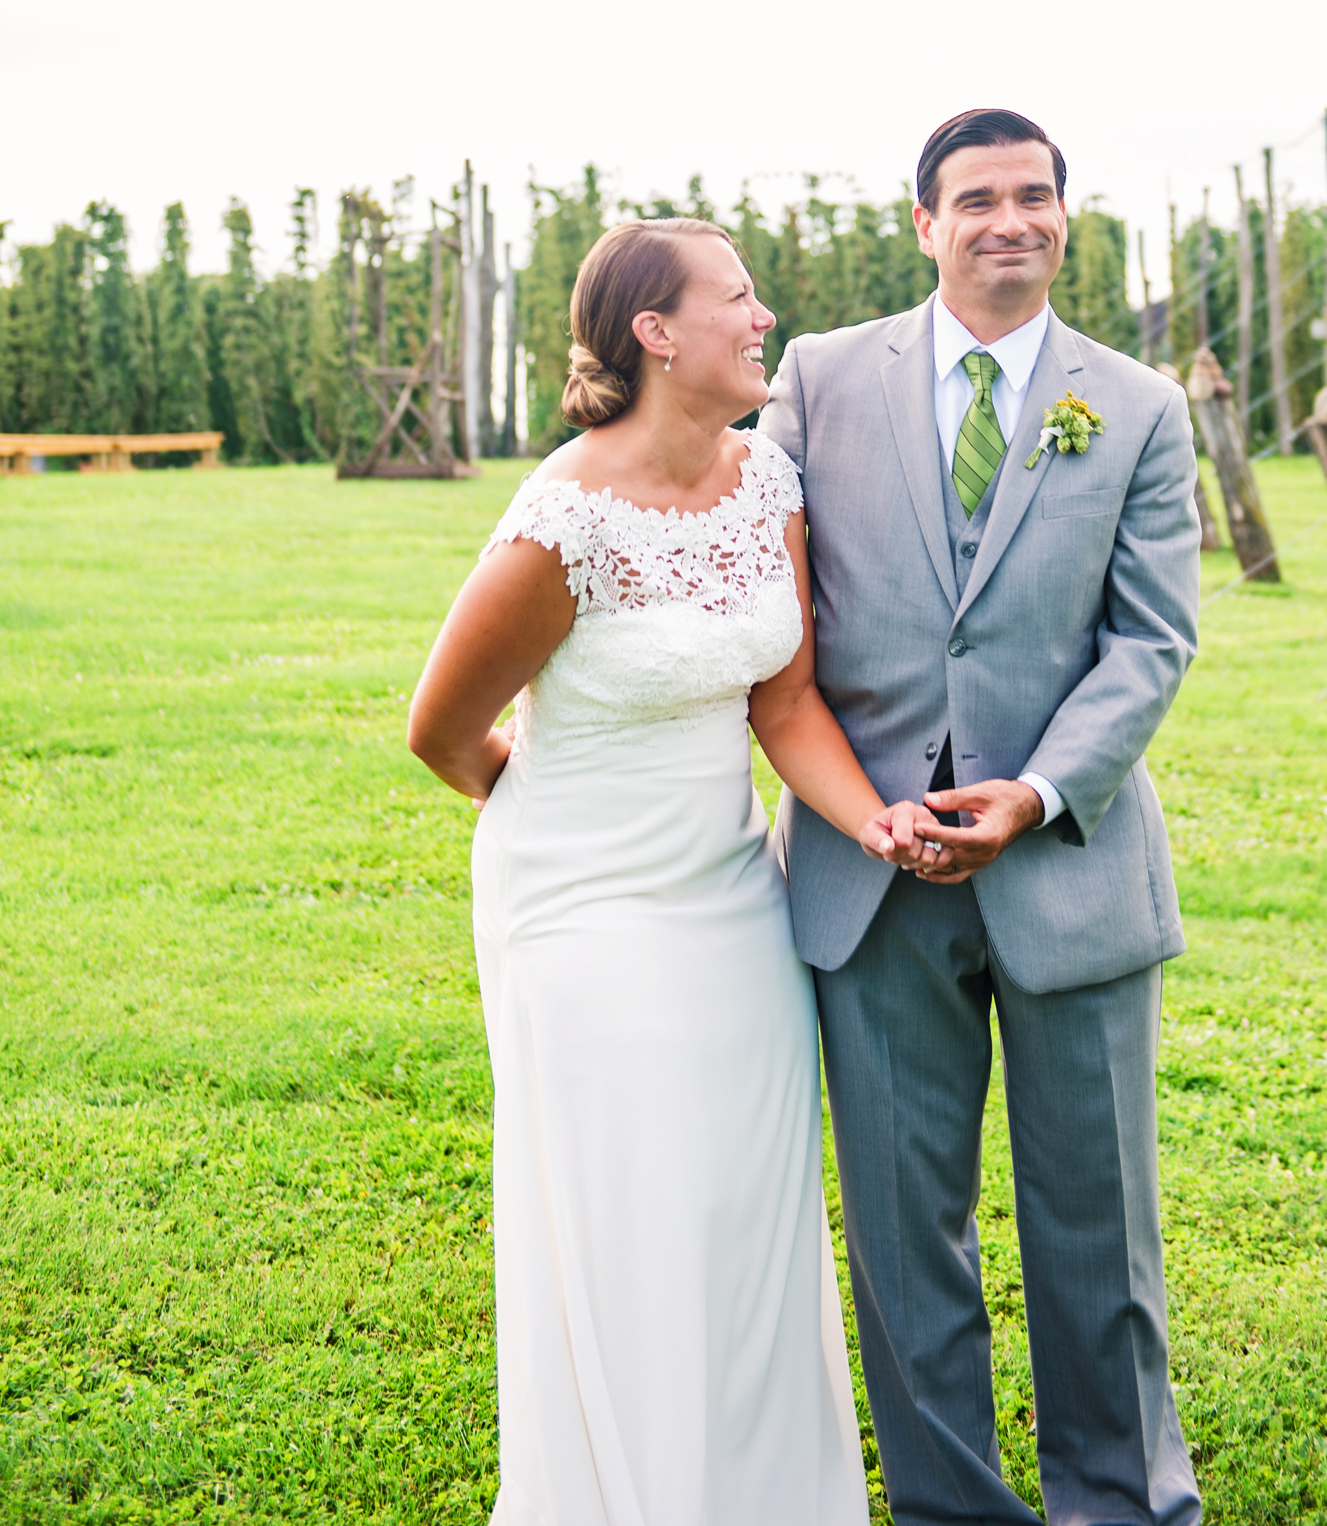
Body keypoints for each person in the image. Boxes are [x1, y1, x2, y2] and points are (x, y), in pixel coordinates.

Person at [408, 216, 899, 1526]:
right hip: (580, 910)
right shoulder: (563, 521)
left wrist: (873, 827)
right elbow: (442, 730)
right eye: (736, 298)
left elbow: (784, 705)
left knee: (742, 1216)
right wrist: (550, 816)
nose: (761, 319)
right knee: (636, 1220)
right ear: (654, 334)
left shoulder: (768, 485)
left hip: (731, 898)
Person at [759, 107, 1204, 1526]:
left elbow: (1148, 643)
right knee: (903, 1239)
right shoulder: (820, 380)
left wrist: (1029, 794)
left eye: (1034, 196)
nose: (1007, 220)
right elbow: (751, 580)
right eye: (976, 198)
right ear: (922, 223)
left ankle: (1120, 1502)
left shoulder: (1131, 405)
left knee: (1099, 1237)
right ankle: (952, 1510)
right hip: (865, 875)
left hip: (1068, 874)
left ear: (1065, 216)